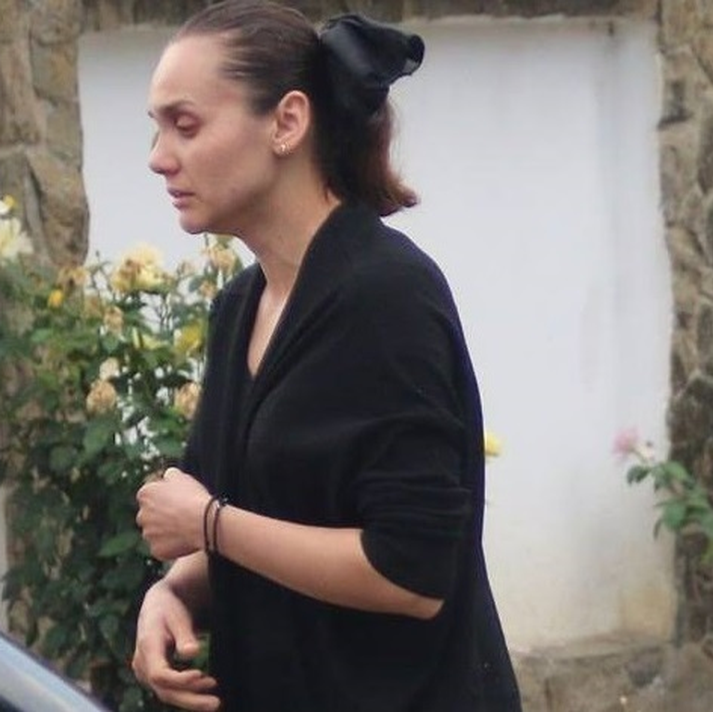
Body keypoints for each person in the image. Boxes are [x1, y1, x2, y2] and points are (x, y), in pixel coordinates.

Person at [131, 2, 521, 710]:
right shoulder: (240, 308)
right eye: (156, 129)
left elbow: (412, 574)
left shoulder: (386, 297)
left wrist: (210, 524)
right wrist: (175, 591)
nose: (159, 157)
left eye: (185, 125)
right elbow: (264, 527)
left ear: (287, 122)